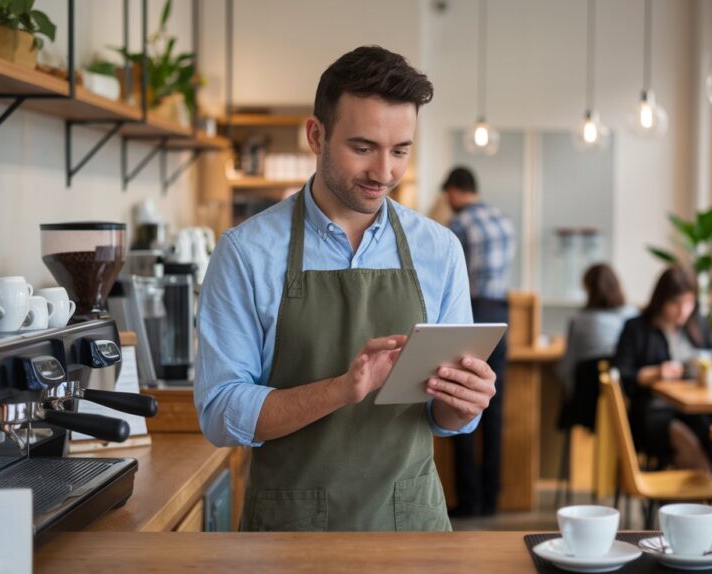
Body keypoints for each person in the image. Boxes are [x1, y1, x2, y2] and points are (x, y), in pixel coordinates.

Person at [194, 46, 497, 532]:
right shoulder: (246, 252)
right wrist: (342, 389)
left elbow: (445, 416)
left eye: (400, 150)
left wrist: (465, 403)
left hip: (412, 527)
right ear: (316, 135)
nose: (384, 172)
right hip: (290, 534)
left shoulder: (440, 249)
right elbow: (219, 411)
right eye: (363, 147)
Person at [441, 166, 515, 517]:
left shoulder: (458, 226)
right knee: (494, 407)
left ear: (455, 192)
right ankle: (492, 498)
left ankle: (469, 502)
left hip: (472, 312)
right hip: (502, 312)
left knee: (463, 400)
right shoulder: (502, 220)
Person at [613, 265, 712, 473]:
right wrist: (657, 373)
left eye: (689, 303)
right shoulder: (637, 329)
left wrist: (705, 368)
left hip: (696, 410)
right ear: (661, 300)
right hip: (653, 412)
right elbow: (620, 374)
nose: (683, 311)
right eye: (676, 303)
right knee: (683, 437)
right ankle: (708, 495)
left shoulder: (698, 326)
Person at [556, 263, 638, 431]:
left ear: (588, 290)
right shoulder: (633, 316)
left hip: (585, 406)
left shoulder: (579, 321)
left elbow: (565, 369)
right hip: (626, 409)